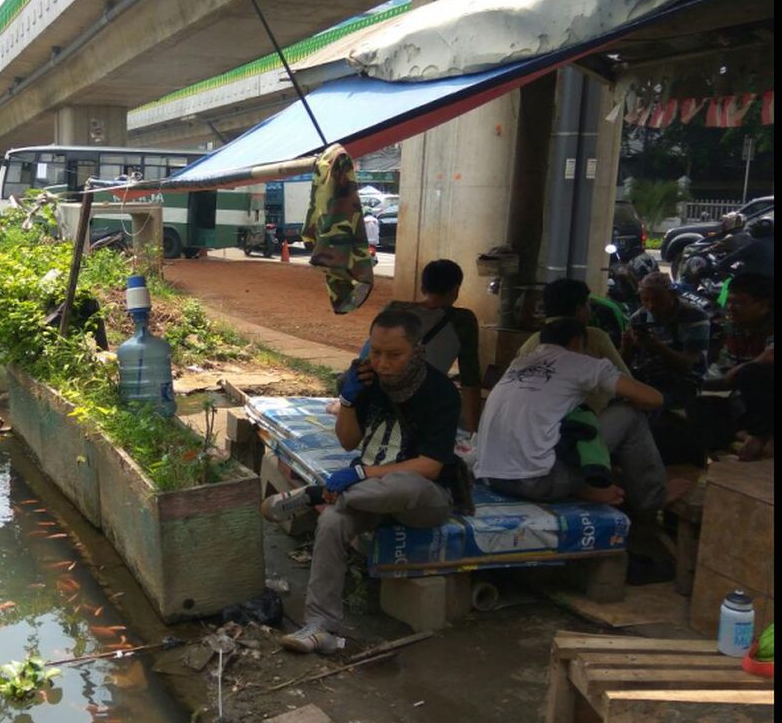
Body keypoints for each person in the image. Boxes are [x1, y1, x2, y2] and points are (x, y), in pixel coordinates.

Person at [260, 309, 461, 653]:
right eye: (376, 352)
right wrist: (349, 401)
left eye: (394, 355)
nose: (382, 363)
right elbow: (348, 442)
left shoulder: (440, 393)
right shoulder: (368, 382)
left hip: (422, 498)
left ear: (417, 351)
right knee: (334, 523)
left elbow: (430, 467)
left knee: (405, 484)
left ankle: (314, 494)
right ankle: (320, 627)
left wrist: (361, 474)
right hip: (366, 496)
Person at [475, 318, 667, 512]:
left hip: (492, 476)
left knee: (572, 418)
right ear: (577, 342)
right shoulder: (580, 362)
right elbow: (654, 399)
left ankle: (580, 487)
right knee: (630, 415)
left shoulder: (520, 363)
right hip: (537, 481)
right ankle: (652, 498)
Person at [335, 259, 481, 431]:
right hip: (415, 404)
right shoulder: (463, 321)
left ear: (423, 287)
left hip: (377, 397)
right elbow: (470, 380)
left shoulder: (394, 308)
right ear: (456, 290)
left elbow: (366, 358)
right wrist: (473, 433)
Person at [517, 278, 631, 412]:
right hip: (586, 424)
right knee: (634, 414)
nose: (591, 310)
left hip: (535, 422)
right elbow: (628, 384)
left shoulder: (528, 345)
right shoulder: (595, 337)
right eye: (588, 304)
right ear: (579, 310)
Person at [698, 272, 774, 460]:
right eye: (730, 301)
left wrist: (739, 371)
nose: (731, 308)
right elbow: (720, 372)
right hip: (745, 400)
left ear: (764, 306)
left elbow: (769, 357)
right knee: (698, 400)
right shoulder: (733, 329)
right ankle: (744, 436)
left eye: (740, 303)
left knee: (754, 372)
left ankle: (759, 435)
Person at [621, 271, 710, 414]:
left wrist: (657, 347)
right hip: (648, 375)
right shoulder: (638, 318)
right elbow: (624, 364)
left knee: (652, 407)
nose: (651, 306)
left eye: (658, 300)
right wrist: (626, 346)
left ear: (673, 295)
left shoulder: (694, 316)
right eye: (645, 300)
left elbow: (688, 366)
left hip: (684, 381)